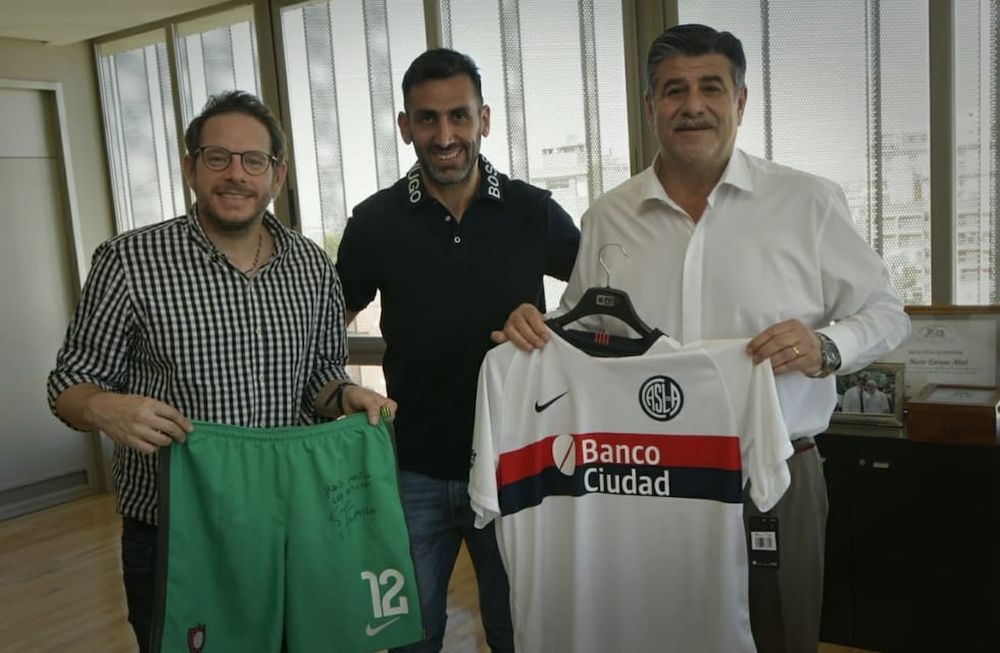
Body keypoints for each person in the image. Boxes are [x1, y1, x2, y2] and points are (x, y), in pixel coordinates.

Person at [493, 24, 910, 653]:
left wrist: (827, 347)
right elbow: (587, 330)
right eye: (674, 91)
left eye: (711, 88)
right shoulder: (609, 215)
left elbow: (887, 314)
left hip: (772, 474)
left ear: (739, 101)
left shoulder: (807, 201)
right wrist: (539, 327)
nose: (693, 106)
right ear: (650, 107)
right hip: (640, 480)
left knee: (778, 634)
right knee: (648, 634)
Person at [47, 90, 393, 652]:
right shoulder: (129, 262)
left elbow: (321, 377)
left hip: (292, 527)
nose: (236, 174)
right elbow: (68, 383)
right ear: (191, 168)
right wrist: (103, 406)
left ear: (277, 175)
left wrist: (346, 395)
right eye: (218, 158)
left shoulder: (311, 266)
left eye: (254, 160)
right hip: (175, 534)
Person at [335, 48, 580, 653]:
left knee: (517, 633)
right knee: (409, 639)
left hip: (516, 465)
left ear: (484, 119)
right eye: (427, 119)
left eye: (459, 116)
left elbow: (602, 308)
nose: (444, 136)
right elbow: (322, 325)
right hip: (412, 469)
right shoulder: (374, 222)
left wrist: (549, 321)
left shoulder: (533, 211)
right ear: (405, 126)